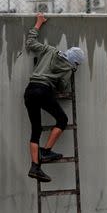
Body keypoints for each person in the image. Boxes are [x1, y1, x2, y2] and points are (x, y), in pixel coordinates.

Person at [23, 13, 87, 183]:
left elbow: (30, 43)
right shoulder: (68, 68)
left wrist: (38, 23)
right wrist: (68, 74)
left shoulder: (50, 50)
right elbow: (63, 88)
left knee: (35, 129)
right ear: (75, 62)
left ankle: (35, 167)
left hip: (30, 90)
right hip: (44, 91)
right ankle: (47, 150)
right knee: (62, 119)